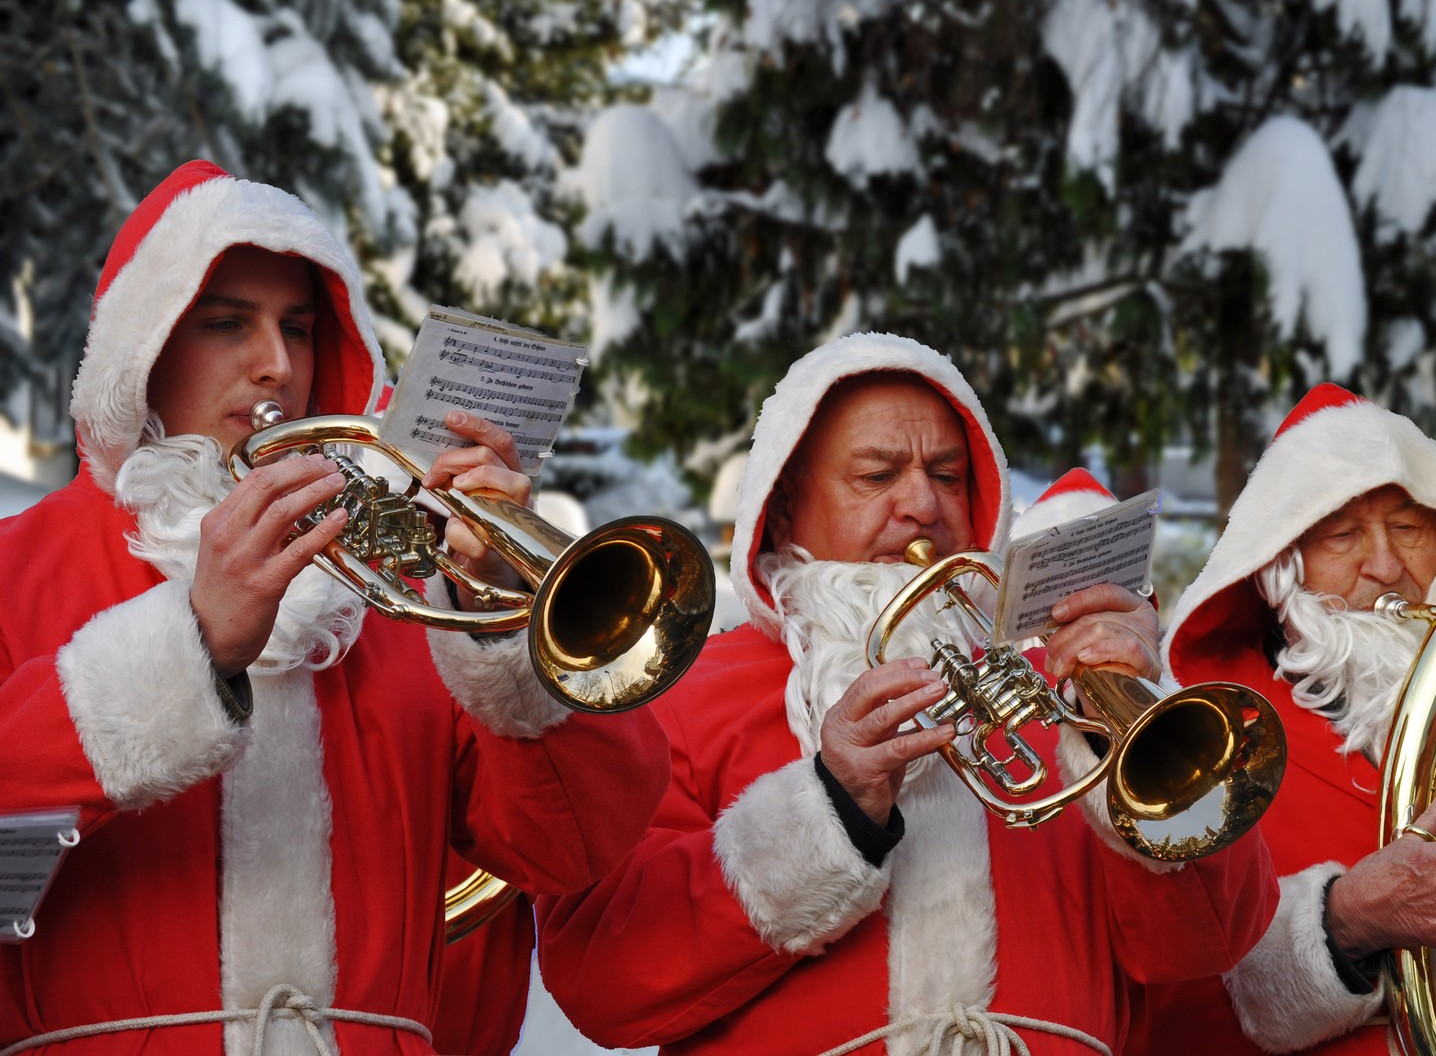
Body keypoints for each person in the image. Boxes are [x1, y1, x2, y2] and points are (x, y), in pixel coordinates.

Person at [0, 160, 670, 1055]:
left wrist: (504, 616)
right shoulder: (18, 567)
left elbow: (569, 847)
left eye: (301, 330)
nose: (277, 365)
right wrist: (189, 645)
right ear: (144, 345)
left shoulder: (400, 590)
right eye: (227, 323)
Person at [536, 332, 1278, 1055]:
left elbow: (1206, 947)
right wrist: (830, 812)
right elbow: (601, 976)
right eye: (877, 475)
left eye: (948, 476)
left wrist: (1125, 713)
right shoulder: (689, 690)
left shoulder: (1061, 687)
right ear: (785, 504)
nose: (922, 504)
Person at [1133, 382, 1436, 1054]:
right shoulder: (1206, 740)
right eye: (1342, 535)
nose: (1387, 567)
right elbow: (1173, 996)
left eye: (1407, 527)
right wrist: (1341, 924)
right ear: (1281, 567)